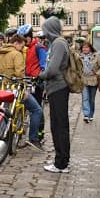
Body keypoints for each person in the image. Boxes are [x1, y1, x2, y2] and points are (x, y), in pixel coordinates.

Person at [0, 34, 44, 149]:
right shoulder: (17, 54)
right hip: (15, 89)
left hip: (2, 89)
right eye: (21, 46)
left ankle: (1, 141)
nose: (22, 48)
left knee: (4, 113)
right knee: (37, 110)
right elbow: (20, 74)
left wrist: (0, 85)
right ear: (16, 43)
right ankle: (33, 138)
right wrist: (25, 90)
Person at [39, 16, 71, 173]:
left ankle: (61, 163)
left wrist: (41, 75)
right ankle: (62, 160)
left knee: (59, 126)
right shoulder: (58, 42)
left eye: (45, 30)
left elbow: (52, 69)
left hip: (58, 88)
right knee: (59, 125)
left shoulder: (58, 44)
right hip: (57, 89)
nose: (44, 34)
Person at [80, 42, 100, 123]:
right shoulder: (79, 57)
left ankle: (91, 115)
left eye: (86, 47)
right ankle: (86, 115)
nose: (85, 49)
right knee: (85, 98)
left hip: (93, 80)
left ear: (90, 48)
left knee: (92, 99)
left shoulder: (96, 56)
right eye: (83, 48)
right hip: (83, 80)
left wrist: (98, 73)